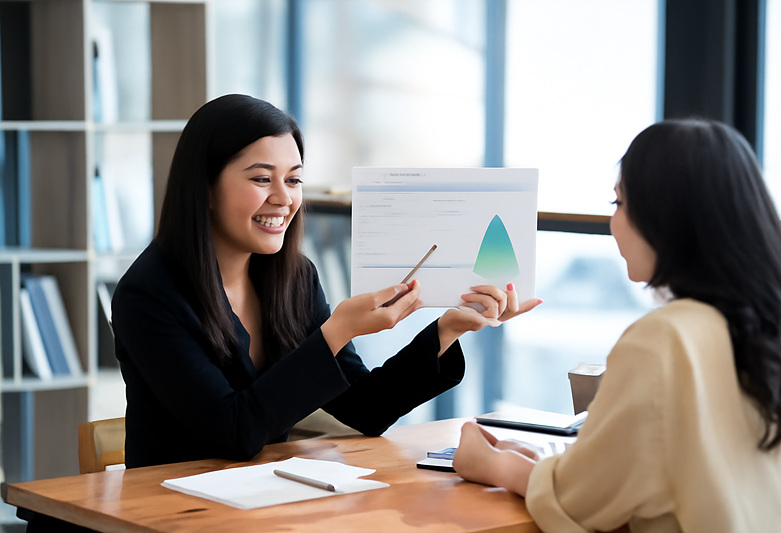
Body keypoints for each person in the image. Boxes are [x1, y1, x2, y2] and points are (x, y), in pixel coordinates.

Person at [110, 93, 540, 468]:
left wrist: (448, 329)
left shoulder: (294, 278)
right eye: (261, 179)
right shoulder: (147, 295)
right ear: (205, 187)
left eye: (294, 179)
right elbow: (233, 431)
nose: (284, 198)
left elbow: (366, 408)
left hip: (264, 501)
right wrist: (336, 332)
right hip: (167, 508)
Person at [452, 118, 781, 532]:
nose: (612, 222)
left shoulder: (665, 338)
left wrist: (492, 463)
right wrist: (546, 464)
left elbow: (582, 498)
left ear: (665, 216)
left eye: (618, 203)